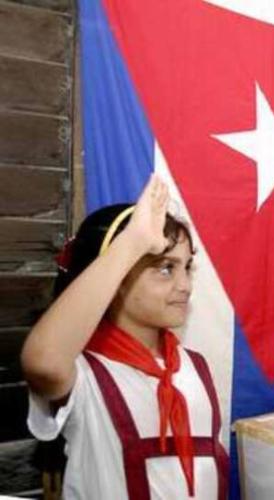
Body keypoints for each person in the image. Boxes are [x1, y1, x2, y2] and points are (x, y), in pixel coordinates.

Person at [21, 176, 229, 499]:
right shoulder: (85, 374)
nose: (185, 285)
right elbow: (43, 361)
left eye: (187, 267)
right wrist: (132, 243)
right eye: (165, 268)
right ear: (116, 278)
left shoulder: (195, 368)